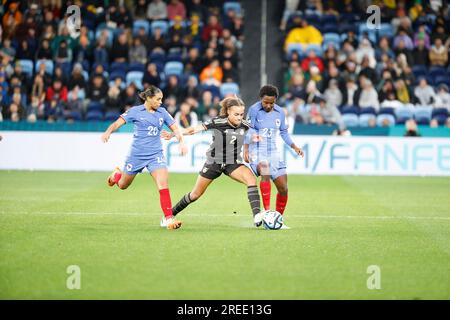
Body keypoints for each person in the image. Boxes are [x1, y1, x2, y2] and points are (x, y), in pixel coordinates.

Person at [160, 96, 264, 227]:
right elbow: (193, 130)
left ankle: (257, 216)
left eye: (241, 114)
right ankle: (169, 216)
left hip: (232, 163)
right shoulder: (217, 121)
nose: (239, 117)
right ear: (228, 112)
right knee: (195, 194)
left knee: (251, 180)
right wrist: (175, 134)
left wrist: (253, 140)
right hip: (214, 162)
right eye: (236, 114)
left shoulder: (245, 125)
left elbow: (252, 134)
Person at [101, 86, 187, 230]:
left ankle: (168, 219)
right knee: (123, 185)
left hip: (155, 155)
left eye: (162, 99)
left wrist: (181, 142)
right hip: (136, 155)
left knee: (163, 185)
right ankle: (117, 175)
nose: (161, 102)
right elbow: (117, 123)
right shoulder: (135, 111)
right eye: (158, 99)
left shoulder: (163, 112)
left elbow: (176, 129)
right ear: (148, 98)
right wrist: (108, 132)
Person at [244, 85, 304, 229]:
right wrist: (246, 149)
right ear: (261, 99)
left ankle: (277, 220)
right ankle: (267, 212)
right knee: (264, 169)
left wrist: (294, 146)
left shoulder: (280, 112)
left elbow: (283, 133)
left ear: (276, 100)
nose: (268, 105)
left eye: (272, 102)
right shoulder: (254, 110)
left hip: (273, 152)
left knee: (283, 188)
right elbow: (248, 129)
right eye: (266, 102)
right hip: (257, 150)